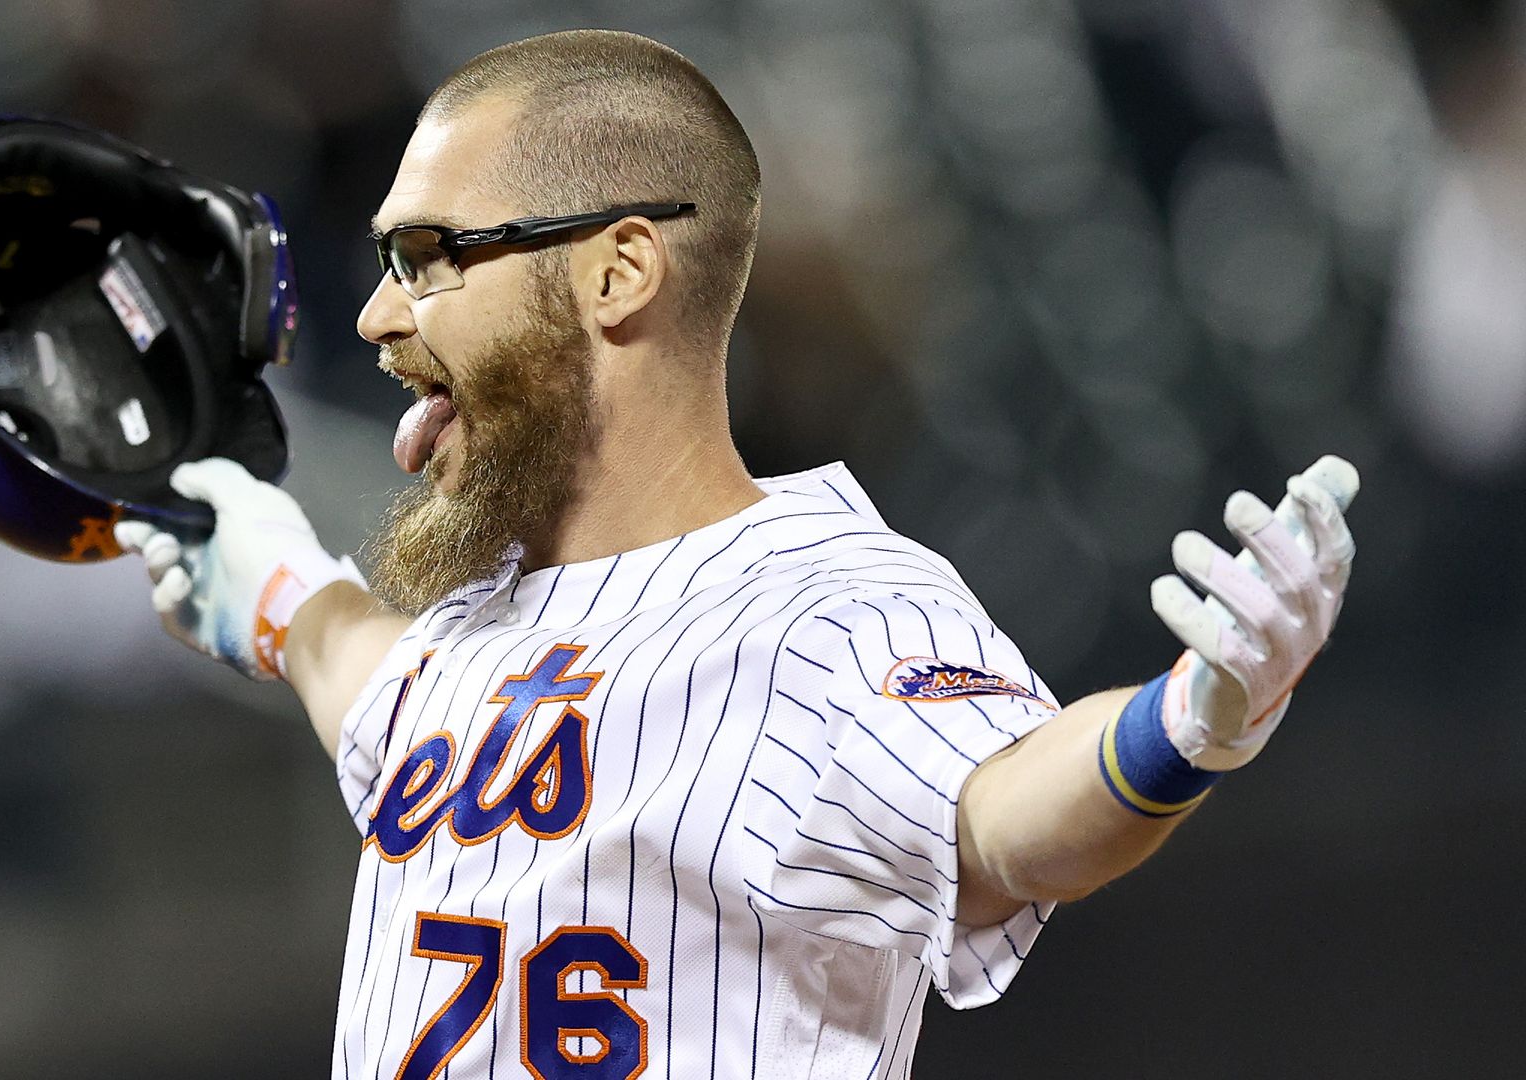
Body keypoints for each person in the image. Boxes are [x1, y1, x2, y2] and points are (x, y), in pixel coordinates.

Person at [112, 29, 1358, 1079]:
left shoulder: (828, 608)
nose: (381, 312)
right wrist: (276, 588)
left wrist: (1180, 728)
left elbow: (1005, 818)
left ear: (616, 271)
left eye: (431, 257)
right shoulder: (469, 632)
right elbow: (375, 681)